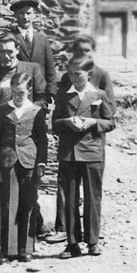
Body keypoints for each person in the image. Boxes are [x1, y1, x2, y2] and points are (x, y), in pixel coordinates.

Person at [49, 35, 116, 244]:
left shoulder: (100, 86)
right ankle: (71, 240)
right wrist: (67, 122)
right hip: (69, 150)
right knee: (69, 198)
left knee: (92, 197)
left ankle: (93, 239)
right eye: (70, 74)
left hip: (92, 147)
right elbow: (56, 121)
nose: (74, 77)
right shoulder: (65, 89)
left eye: (86, 51)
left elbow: (110, 119)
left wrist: (92, 123)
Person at [0, 73, 48, 263]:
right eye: (14, 92)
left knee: (28, 204)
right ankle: (8, 249)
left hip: (29, 161)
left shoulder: (36, 111)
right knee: (8, 205)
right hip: (8, 161)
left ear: (29, 91)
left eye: (21, 92)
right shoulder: (2, 111)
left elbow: (42, 140)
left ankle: (26, 248)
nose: (17, 96)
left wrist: (40, 163)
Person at [0, 33, 47, 130]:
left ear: (17, 50)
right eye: (2, 51)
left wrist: (27, 113)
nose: (6, 56)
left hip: (24, 126)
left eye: (10, 51)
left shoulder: (32, 69)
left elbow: (42, 99)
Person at [10, 0, 57, 103]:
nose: (25, 17)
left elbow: (50, 70)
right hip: (19, 92)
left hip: (40, 93)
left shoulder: (42, 39)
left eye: (28, 13)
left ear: (34, 15)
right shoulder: (10, 38)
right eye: (21, 13)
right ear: (15, 16)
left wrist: (51, 93)